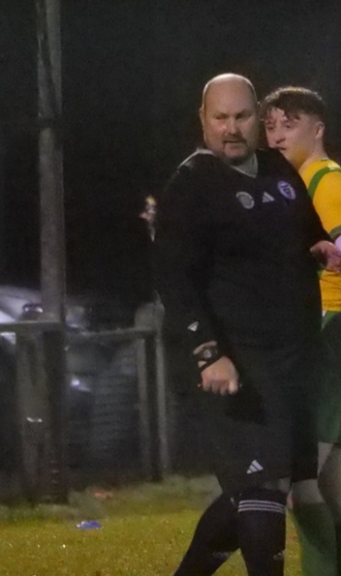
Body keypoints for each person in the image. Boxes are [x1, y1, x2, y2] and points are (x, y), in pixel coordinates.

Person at [154, 73, 341, 576]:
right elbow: (175, 281)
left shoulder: (278, 169)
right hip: (237, 366)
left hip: (291, 362)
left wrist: (322, 247)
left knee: (257, 493)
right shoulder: (191, 185)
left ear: (257, 118)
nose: (231, 129)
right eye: (221, 118)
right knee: (262, 493)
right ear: (203, 120)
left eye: (241, 117)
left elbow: (305, 230)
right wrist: (208, 353)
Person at [264, 85, 341, 575]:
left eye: (288, 124)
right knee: (326, 473)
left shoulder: (326, 182)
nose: (276, 136)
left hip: (330, 330)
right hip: (319, 330)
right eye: (269, 126)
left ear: (317, 129)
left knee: (299, 473)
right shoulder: (296, 187)